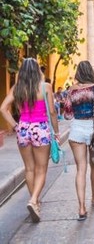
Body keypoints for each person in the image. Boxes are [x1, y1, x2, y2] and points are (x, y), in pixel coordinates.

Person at [0, 58, 59, 223]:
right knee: (41, 169)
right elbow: (53, 113)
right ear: (37, 70)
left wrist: (16, 126)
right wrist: (56, 131)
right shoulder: (45, 87)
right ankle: (34, 200)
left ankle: (36, 202)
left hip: (24, 129)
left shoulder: (17, 88)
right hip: (41, 128)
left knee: (29, 168)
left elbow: (2, 108)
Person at [64, 60, 94, 221]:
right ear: (90, 72)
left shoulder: (71, 91)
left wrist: (79, 110)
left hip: (77, 130)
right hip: (93, 129)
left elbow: (67, 114)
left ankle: (81, 208)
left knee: (80, 169)